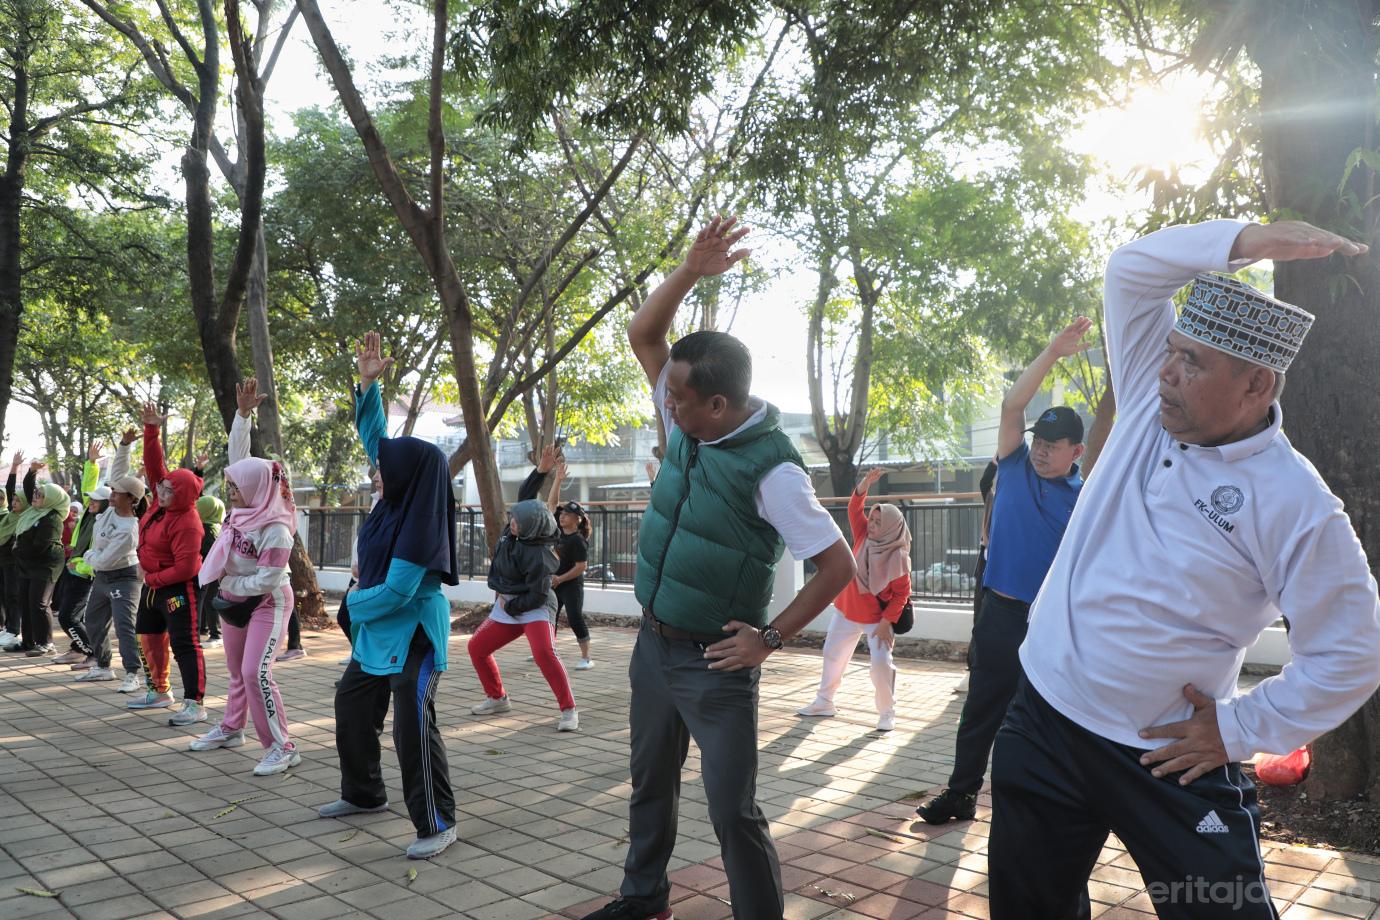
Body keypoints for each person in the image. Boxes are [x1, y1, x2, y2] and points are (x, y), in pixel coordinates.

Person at [989, 220, 1380, 920]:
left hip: (1170, 760)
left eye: (1192, 362)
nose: (1166, 371)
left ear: (1256, 384)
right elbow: (1132, 271)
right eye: (1170, 352)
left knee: (1223, 911)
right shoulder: (1148, 400)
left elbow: (1353, 652)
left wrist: (1238, 731)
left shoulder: (1295, 503)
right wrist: (1249, 241)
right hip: (1045, 720)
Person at [581, 217, 855, 920]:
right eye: (667, 392)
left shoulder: (775, 472)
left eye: (676, 397)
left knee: (733, 811)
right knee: (649, 785)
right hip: (653, 643)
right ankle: (643, 899)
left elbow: (837, 564)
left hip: (716, 662)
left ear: (718, 404)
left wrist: (770, 637)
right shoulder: (685, 419)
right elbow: (645, 335)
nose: (662, 405)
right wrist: (689, 272)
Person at [916, 318, 1090, 826]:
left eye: (1053, 445)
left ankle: (1042, 810)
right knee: (980, 712)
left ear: (1076, 452)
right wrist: (1052, 353)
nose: (1040, 449)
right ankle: (961, 793)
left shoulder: (1084, 501)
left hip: (1050, 625)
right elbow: (1013, 406)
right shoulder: (1013, 464)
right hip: (999, 613)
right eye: (1039, 440)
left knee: (1045, 721)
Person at [318, 331, 458, 861]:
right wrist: (369, 385)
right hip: (377, 635)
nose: (378, 466)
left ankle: (438, 821)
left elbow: (400, 590)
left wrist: (351, 602)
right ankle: (363, 794)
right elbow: (376, 439)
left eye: (386, 465)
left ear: (405, 477)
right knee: (352, 706)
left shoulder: (419, 520)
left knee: (411, 727)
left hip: (415, 635)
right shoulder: (391, 503)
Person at [189, 379, 302, 775]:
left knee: (257, 672)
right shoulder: (244, 508)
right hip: (235, 598)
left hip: (268, 602)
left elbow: (269, 579)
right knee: (237, 671)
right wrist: (242, 416)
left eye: (237, 485)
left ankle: (281, 745)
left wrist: (228, 584)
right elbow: (242, 460)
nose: (231, 488)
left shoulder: (275, 527)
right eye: (231, 484)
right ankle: (231, 728)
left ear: (254, 488)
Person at [797, 467, 911, 731]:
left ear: (891, 528)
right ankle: (824, 701)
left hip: (876, 620)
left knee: (881, 664)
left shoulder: (898, 557)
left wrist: (886, 623)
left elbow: (901, 594)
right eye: (872, 519)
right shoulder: (862, 534)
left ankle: (887, 713)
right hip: (847, 611)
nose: (871, 525)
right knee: (832, 654)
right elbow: (854, 507)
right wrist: (864, 484)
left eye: (878, 523)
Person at [467, 496, 579, 731]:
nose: (512, 521)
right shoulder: (514, 532)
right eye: (513, 517)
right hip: (509, 604)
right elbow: (528, 496)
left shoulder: (539, 555)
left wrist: (511, 607)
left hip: (535, 607)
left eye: (517, 519)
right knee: (477, 647)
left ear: (530, 525)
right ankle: (497, 699)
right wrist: (540, 472)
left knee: (544, 653)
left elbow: (538, 596)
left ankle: (569, 710)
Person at [129, 402, 207, 723]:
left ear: (184, 495)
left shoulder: (187, 521)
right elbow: (154, 465)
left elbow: (188, 568)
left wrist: (155, 580)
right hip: (153, 584)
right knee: (147, 633)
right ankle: (159, 690)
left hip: (176, 587)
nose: (161, 489)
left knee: (184, 644)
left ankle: (195, 704)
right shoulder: (164, 500)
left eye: (170, 488)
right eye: (162, 485)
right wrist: (151, 430)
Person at [79, 432, 144, 686]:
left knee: (124, 625)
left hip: (124, 577)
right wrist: (125, 445)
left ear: (131, 499)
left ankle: (132, 674)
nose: (112, 495)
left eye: (117, 493)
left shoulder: (129, 529)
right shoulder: (111, 509)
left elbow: (104, 560)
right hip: (103, 578)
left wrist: (88, 555)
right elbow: (118, 470)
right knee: (92, 621)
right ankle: (103, 666)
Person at [53, 442, 107, 668]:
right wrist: (92, 463)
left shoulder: (105, 521)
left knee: (68, 617)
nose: (90, 502)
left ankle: (92, 653)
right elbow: (88, 484)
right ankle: (78, 650)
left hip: (84, 573)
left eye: (95, 500)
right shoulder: (89, 511)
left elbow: (103, 555)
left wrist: (81, 567)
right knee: (70, 615)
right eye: (90, 499)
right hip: (73, 567)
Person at [12, 460, 69, 657]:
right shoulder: (35, 511)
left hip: (46, 565)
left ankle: (46, 643)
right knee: (25, 602)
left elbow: (39, 547)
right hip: (28, 563)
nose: (35, 496)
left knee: (39, 603)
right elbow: (29, 488)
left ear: (51, 500)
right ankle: (28, 642)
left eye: (40, 495)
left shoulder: (51, 519)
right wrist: (32, 471)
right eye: (36, 494)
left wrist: (16, 550)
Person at [551, 483, 594, 670]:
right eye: (562, 514)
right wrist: (558, 479)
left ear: (577, 519)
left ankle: (586, 658)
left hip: (571, 586)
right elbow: (552, 503)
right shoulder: (559, 532)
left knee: (574, 617)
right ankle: (547, 651)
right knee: (549, 618)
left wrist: (560, 579)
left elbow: (581, 567)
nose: (562, 516)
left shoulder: (578, 540)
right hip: (555, 584)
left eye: (566, 514)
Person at [196, 495, 225, 648]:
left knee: (206, 599)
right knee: (208, 599)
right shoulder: (217, 527)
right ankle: (207, 630)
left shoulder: (206, 529)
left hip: (207, 571)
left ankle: (215, 634)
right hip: (214, 570)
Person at [0, 479, 21, 648]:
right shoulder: (9, 517)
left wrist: (14, 468)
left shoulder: (22, 517)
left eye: (18, 500)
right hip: (4, 561)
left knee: (13, 595)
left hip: (14, 562)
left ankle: (14, 629)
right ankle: (8, 628)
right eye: (13, 500)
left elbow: (10, 488)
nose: (14, 503)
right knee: (4, 594)